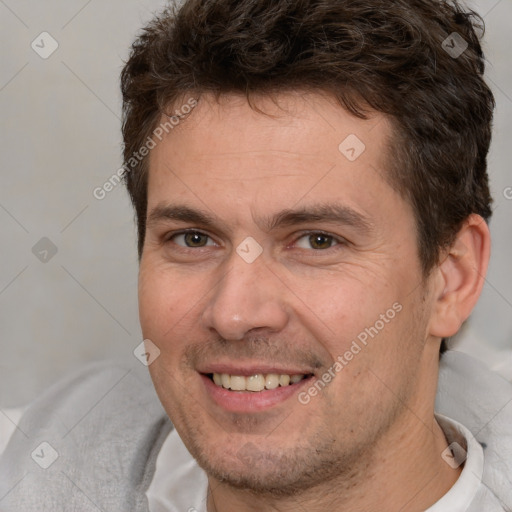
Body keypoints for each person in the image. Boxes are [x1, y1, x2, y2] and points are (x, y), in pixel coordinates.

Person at [1, 0, 511, 510]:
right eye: (193, 239)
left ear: (453, 278)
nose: (234, 314)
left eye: (317, 241)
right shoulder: (28, 460)